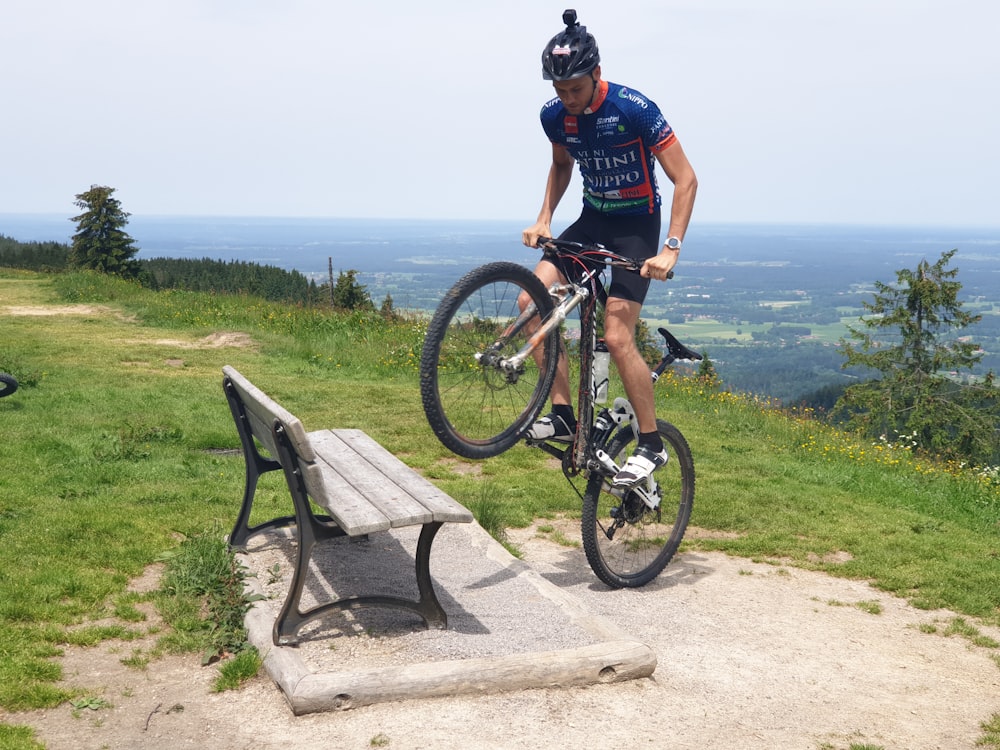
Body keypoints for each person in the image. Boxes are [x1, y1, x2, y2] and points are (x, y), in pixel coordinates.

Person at [521, 9, 698, 488]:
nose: (567, 99)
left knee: (618, 336)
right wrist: (544, 218)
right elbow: (561, 167)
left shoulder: (633, 108)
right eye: (559, 90)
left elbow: (686, 179)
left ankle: (651, 442)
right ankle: (563, 414)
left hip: (637, 226)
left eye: (575, 89)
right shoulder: (554, 116)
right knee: (528, 302)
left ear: (597, 73)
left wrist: (671, 249)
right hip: (594, 218)